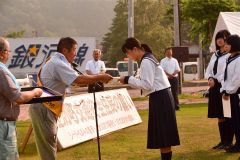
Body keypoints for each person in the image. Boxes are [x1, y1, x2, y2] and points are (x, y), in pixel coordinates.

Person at [29, 37, 112, 160]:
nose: (76, 54)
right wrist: (100, 77)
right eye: (74, 50)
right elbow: (78, 80)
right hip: (44, 108)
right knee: (48, 147)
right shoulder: (58, 63)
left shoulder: (56, 61)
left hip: (46, 107)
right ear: (65, 50)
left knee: (49, 145)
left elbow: (78, 79)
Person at [119, 37, 180, 160]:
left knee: (164, 138)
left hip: (161, 98)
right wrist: (129, 78)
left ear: (134, 49)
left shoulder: (146, 60)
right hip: (160, 97)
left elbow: (146, 84)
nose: (129, 56)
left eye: (128, 53)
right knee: (163, 138)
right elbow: (143, 80)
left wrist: (127, 79)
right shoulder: (147, 58)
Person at [0, 37, 43, 159]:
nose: (9, 54)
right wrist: (34, 92)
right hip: (3, 125)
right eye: (8, 51)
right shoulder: (2, 71)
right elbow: (17, 97)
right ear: (2, 53)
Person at [205, 30, 233, 150]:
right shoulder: (215, 54)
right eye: (218, 38)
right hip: (214, 88)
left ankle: (229, 142)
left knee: (227, 114)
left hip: (224, 86)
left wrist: (216, 79)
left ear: (226, 39)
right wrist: (210, 78)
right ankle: (222, 141)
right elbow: (209, 69)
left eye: (222, 37)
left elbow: (226, 72)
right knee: (219, 116)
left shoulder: (229, 55)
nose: (219, 40)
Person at [221, 34, 240, 153]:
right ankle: (231, 143)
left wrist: (228, 91)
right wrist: (224, 90)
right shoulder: (229, 58)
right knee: (230, 120)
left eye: (227, 44)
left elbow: (237, 79)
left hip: (235, 94)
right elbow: (226, 77)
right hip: (227, 94)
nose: (225, 46)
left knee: (237, 121)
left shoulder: (238, 59)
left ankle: (239, 144)